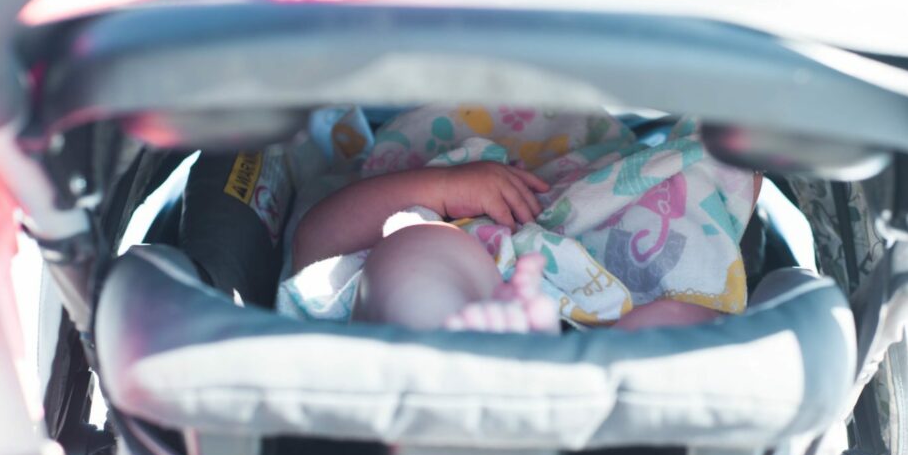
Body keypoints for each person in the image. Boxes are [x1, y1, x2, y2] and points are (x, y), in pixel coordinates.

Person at [284, 105, 761, 332]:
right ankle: (446, 339)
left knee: (682, 318)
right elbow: (319, 244)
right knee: (417, 246)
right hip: (454, 315)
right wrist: (439, 189)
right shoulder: (431, 213)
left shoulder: (610, 189)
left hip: (602, 340)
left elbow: (718, 180)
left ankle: (561, 375)